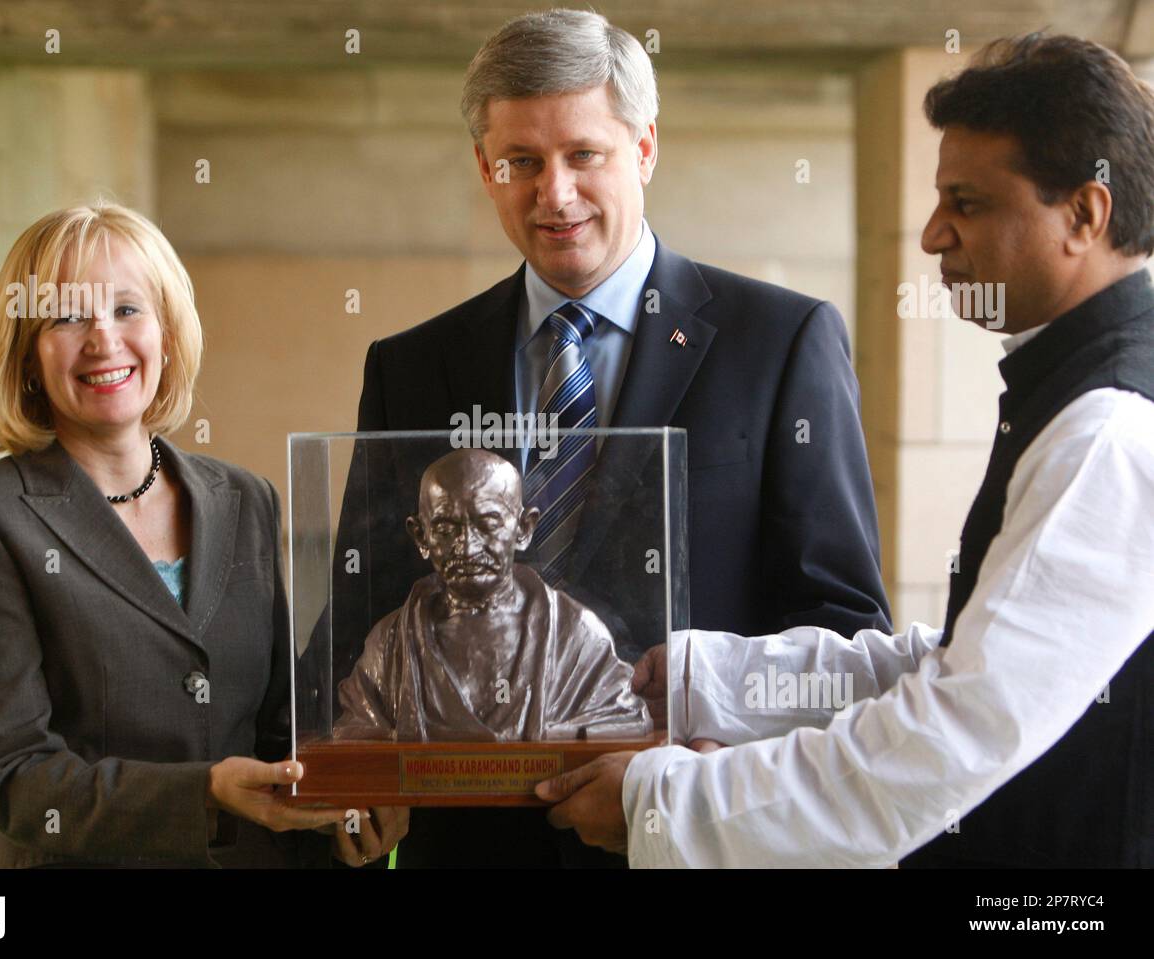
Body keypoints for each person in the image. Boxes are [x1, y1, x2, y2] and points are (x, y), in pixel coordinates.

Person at [538, 34, 1154, 868]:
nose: (932, 235)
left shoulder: (1109, 429)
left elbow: (951, 730)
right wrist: (703, 680)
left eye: (968, 203)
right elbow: (949, 659)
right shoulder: (1075, 390)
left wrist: (666, 803)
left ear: (1085, 214)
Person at [331, 5, 892, 869]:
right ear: (485, 167)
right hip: (471, 849)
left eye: (583, 154)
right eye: (522, 160)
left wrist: (712, 771)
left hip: (686, 836)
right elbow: (358, 610)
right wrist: (339, 774)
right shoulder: (411, 365)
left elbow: (841, 623)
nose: (554, 193)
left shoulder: (782, 343)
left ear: (645, 147)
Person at [0, 203, 407, 867]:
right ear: (27, 355)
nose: (103, 339)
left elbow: (280, 729)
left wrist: (340, 815)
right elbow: (10, 773)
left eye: (127, 308)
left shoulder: (246, 499)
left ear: (167, 335)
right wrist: (203, 794)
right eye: (66, 316)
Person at [334, 449, 650, 741]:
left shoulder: (576, 636)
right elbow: (355, 738)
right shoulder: (389, 646)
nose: (467, 547)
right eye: (445, 529)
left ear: (524, 529)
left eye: (487, 524)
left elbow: (623, 723)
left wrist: (554, 736)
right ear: (421, 535)